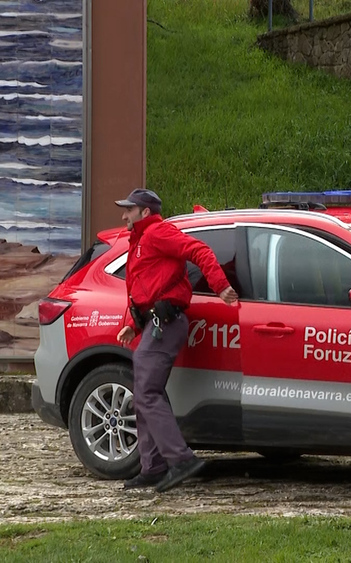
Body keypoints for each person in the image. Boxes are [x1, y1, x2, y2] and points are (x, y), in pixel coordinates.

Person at [114, 188, 238, 492]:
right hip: (154, 324)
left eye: (129, 210)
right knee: (145, 392)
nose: (123, 215)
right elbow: (148, 287)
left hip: (166, 324)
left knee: (146, 392)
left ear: (144, 212)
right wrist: (133, 324)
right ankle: (153, 467)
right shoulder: (141, 241)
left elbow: (200, 251)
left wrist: (220, 286)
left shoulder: (157, 233)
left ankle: (181, 459)